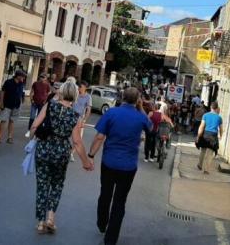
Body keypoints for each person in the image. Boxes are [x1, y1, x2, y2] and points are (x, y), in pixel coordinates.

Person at [88, 87, 152, 245]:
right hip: (128, 167)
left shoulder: (111, 113)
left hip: (109, 162)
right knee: (119, 201)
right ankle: (110, 239)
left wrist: (90, 155)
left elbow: (99, 137)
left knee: (105, 194)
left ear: (122, 97)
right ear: (137, 100)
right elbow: (150, 127)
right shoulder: (140, 117)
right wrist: (141, 107)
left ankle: (102, 223)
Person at [29, 78, 93, 234]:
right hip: (62, 152)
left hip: (44, 150)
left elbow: (35, 126)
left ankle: (40, 222)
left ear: (61, 92)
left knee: (42, 185)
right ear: (76, 96)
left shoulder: (49, 106)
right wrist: (86, 162)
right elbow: (77, 142)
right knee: (57, 185)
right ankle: (51, 218)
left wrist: (33, 138)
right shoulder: (75, 115)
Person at [0, 69, 26, 144]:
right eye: (22, 76)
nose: (23, 78)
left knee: (12, 121)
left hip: (16, 105)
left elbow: (21, 93)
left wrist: (21, 101)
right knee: (3, 120)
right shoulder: (8, 82)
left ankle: (10, 137)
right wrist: (1, 103)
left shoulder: (21, 83)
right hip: (7, 104)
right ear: (18, 76)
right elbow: (2, 92)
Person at [196, 101, 223, 174]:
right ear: (217, 108)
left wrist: (198, 136)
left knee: (203, 151)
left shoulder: (205, 115)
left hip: (205, 134)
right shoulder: (219, 118)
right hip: (213, 136)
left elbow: (202, 126)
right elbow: (221, 128)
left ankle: (200, 165)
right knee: (210, 153)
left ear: (211, 107)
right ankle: (206, 169)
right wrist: (221, 136)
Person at [70, 80, 92, 161]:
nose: (79, 88)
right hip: (71, 116)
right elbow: (70, 104)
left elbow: (88, 110)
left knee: (78, 139)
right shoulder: (75, 94)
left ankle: (71, 153)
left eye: (80, 87)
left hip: (79, 118)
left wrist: (84, 120)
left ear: (85, 88)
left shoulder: (88, 97)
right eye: (78, 86)